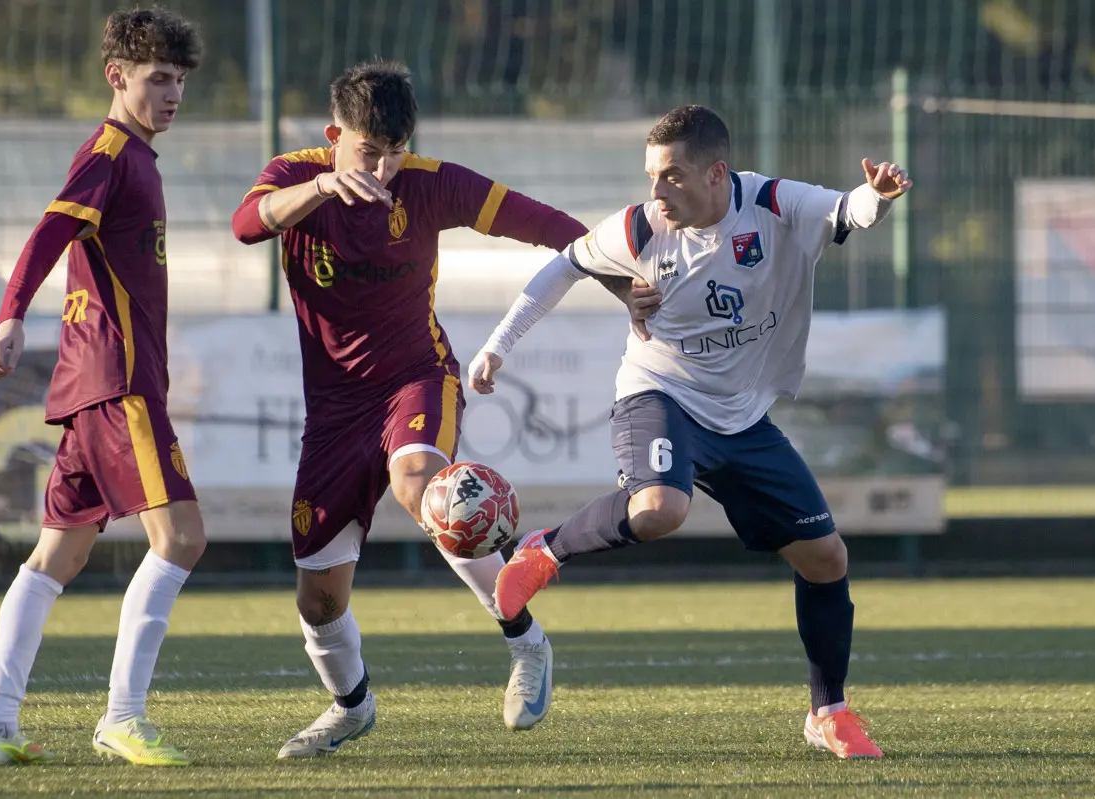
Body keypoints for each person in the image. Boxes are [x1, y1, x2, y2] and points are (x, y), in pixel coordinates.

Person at [231, 60, 658, 758]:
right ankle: (351, 706)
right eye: (370, 151)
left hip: (416, 376)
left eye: (397, 148)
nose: (386, 164)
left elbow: (544, 223)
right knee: (318, 599)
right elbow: (248, 224)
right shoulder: (293, 175)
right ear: (335, 135)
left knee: (421, 485)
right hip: (333, 410)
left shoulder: (432, 183)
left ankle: (527, 641)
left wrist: (616, 284)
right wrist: (317, 189)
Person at [469, 105, 912, 760]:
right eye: (650, 175)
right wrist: (496, 348)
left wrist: (876, 196)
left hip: (740, 418)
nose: (656, 191)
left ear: (716, 174)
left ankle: (829, 712)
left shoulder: (774, 204)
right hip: (661, 391)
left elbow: (847, 210)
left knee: (827, 560)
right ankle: (543, 549)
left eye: (671, 176)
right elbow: (563, 265)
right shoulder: (642, 228)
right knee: (659, 510)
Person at [0, 8, 206, 767]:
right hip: (118, 385)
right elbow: (47, 233)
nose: (172, 94)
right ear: (117, 76)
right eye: (158, 79)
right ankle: (123, 716)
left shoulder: (138, 158)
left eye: (179, 81)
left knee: (54, 558)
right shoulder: (110, 154)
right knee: (182, 538)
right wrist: (9, 318)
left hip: (90, 387)